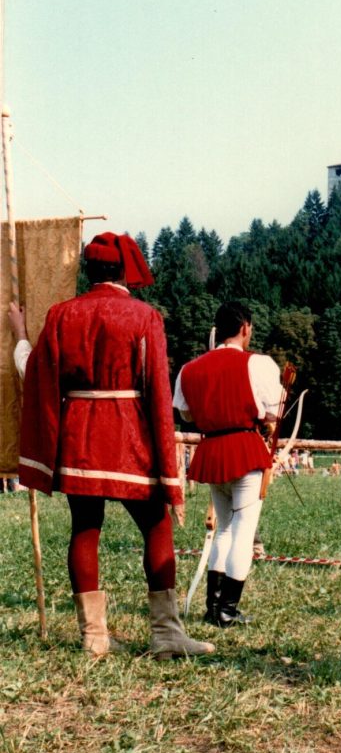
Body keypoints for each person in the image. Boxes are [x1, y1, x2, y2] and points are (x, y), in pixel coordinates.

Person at [14, 232, 213, 659]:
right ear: (124, 270)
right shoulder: (144, 316)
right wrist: (168, 471)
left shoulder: (61, 315)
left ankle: (95, 637)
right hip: (128, 439)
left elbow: (38, 376)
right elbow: (158, 394)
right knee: (157, 526)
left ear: (89, 270)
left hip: (78, 439)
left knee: (85, 529)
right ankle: (166, 634)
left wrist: (18, 334)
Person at [173, 301, 282, 628]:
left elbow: (186, 413)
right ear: (245, 328)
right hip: (243, 449)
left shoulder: (189, 368)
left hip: (212, 449)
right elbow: (274, 411)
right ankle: (226, 609)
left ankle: (213, 605)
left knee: (224, 529)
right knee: (243, 532)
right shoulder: (258, 363)